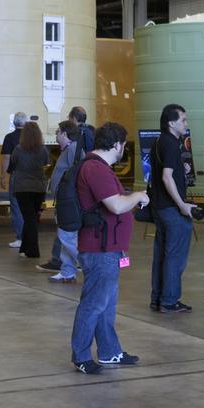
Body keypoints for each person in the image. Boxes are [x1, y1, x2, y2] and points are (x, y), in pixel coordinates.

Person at [70, 122, 150, 375]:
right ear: (116, 144)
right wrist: (138, 196)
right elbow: (115, 205)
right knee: (94, 304)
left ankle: (109, 351)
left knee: (106, 305)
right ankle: (81, 355)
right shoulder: (96, 169)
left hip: (108, 248)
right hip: (99, 249)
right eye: (123, 144)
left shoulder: (99, 167)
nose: (124, 148)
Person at [150, 103, 198, 314]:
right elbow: (166, 177)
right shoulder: (170, 144)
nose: (186, 124)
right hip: (172, 208)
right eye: (183, 120)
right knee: (175, 256)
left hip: (160, 207)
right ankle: (169, 300)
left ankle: (158, 298)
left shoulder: (160, 141)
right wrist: (182, 205)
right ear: (171, 123)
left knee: (162, 254)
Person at [44, 121, 82, 283]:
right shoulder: (68, 150)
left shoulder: (73, 149)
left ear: (65, 134)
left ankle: (88, 264)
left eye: (58, 132)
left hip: (69, 200)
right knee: (63, 236)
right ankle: (67, 271)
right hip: (63, 199)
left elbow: (82, 170)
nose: (56, 135)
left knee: (66, 236)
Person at [10, 121, 50, 259]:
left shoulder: (18, 149)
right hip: (39, 187)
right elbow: (46, 163)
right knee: (32, 217)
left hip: (22, 187)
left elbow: (12, 165)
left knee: (29, 218)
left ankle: (33, 250)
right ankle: (25, 248)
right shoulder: (43, 149)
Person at [0, 112, 27, 249]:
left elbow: (6, 158)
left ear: (14, 123)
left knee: (17, 207)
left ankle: (20, 238)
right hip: (32, 176)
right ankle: (30, 238)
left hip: (17, 176)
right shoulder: (32, 137)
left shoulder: (9, 137)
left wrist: (3, 176)